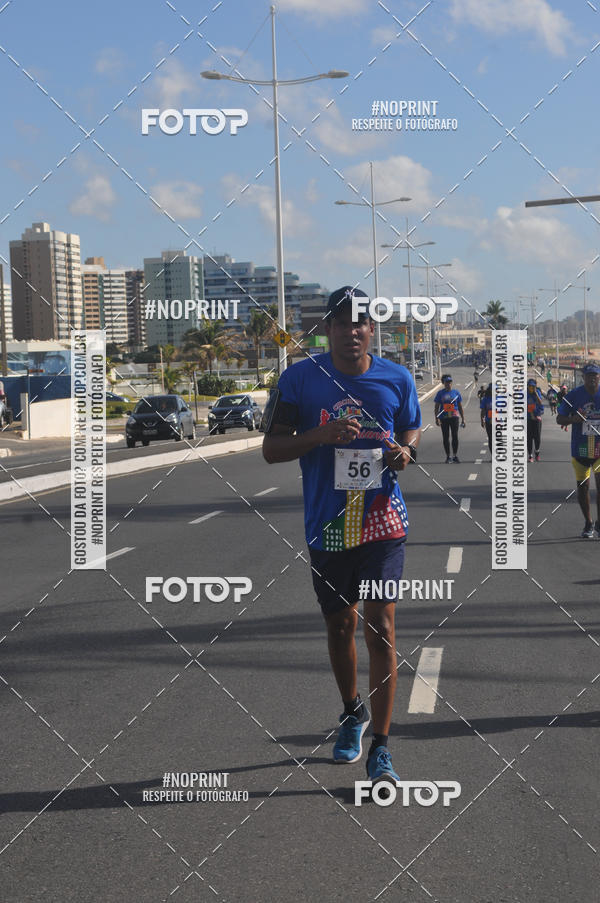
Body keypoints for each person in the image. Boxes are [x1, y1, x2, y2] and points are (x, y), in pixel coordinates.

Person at [262, 286, 421, 785]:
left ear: (372, 329)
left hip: (382, 522)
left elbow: (411, 428)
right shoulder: (298, 380)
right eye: (342, 322)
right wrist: (321, 437)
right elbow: (271, 449)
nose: (352, 330)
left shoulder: (396, 377)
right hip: (329, 527)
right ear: (327, 329)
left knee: (382, 627)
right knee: (340, 627)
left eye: (361, 322)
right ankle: (353, 712)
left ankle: (381, 748)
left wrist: (405, 450)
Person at [556, 362, 600, 538]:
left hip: (599, 448)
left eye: (595, 376)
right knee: (583, 487)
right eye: (589, 376)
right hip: (580, 448)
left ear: (599, 377)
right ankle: (588, 523)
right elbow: (560, 419)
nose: (592, 379)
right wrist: (574, 419)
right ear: (584, 378)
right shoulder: (574, 395)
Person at [434, 374, 465, 462]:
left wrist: (463, 419)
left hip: (454, 417)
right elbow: (436, 407)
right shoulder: (440, 393)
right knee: (445, 437)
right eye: (447, 382)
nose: (449, 384)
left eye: (450, 382)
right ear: (443, 383)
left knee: (455, 436)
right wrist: (437, 418)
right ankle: (448, 456)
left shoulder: (456, 392)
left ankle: (455, 455)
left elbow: (460, 406)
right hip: (444, 417)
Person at [526, 378, 544, 462]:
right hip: (528, 419)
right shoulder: (525, 394)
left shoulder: (538, 393)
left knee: (537, 438)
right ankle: (530, 455)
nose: (531, 388)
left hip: (537, 418)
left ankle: (537, 451)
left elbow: (540, 403)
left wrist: (536, 394)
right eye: (529, 386)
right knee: (529, 438)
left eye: (532, 386)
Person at [480, 382, 493, 454]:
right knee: (491, 438)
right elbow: (483, 411)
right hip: (489, 422)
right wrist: (482, 421)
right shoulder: (486, 399)